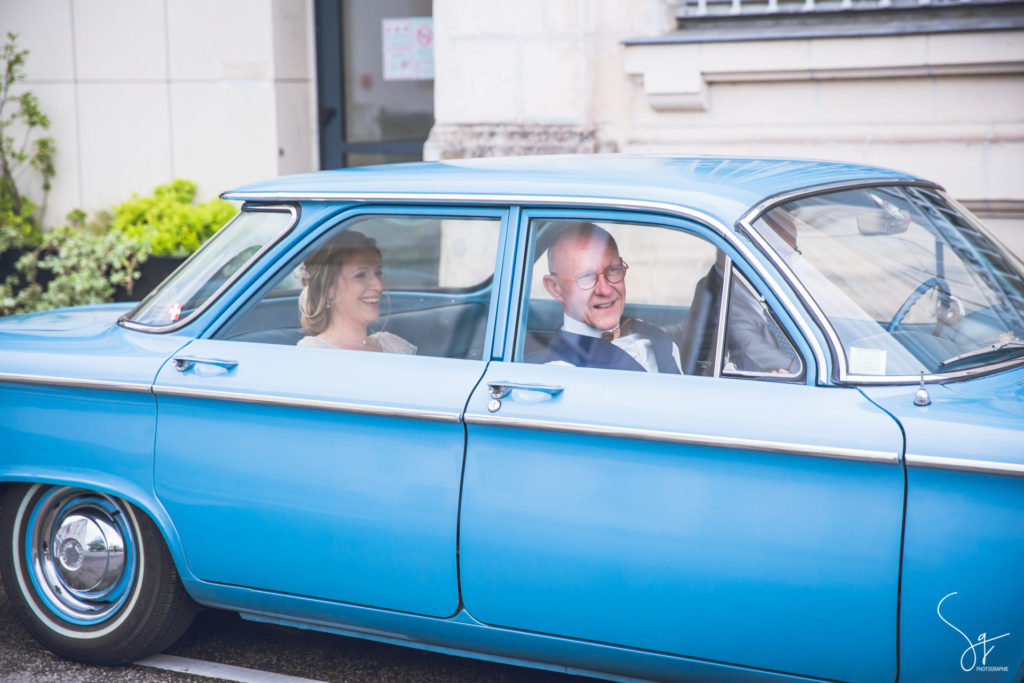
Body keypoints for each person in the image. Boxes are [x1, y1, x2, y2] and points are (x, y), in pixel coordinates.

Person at [536, 222, 681, 373]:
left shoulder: (651, 334)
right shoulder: (563, 371)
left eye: (612, 270)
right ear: (555, 288)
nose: (605, 290)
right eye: (586, 276)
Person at [296, 230, 416, 354]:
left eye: (378, 273)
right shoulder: (314, 352)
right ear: (328, 289)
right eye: (360, 275)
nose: (379, 286)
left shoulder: (392, 345)